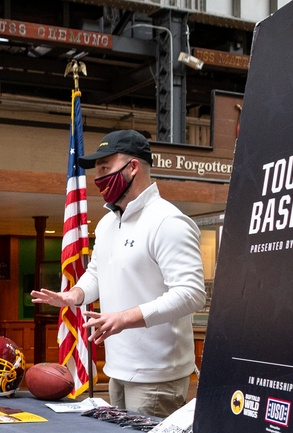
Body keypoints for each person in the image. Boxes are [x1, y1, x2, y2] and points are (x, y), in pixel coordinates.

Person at [31, 129, 205, 417]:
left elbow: (191, 294)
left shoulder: (168, 222)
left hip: (156, 376)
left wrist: (125, 317)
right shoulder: (108, 224)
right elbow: (97, 274)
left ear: (132, 167)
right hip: (117, 371)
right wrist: (73, 295)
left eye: (104, 168)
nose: (98, 180)